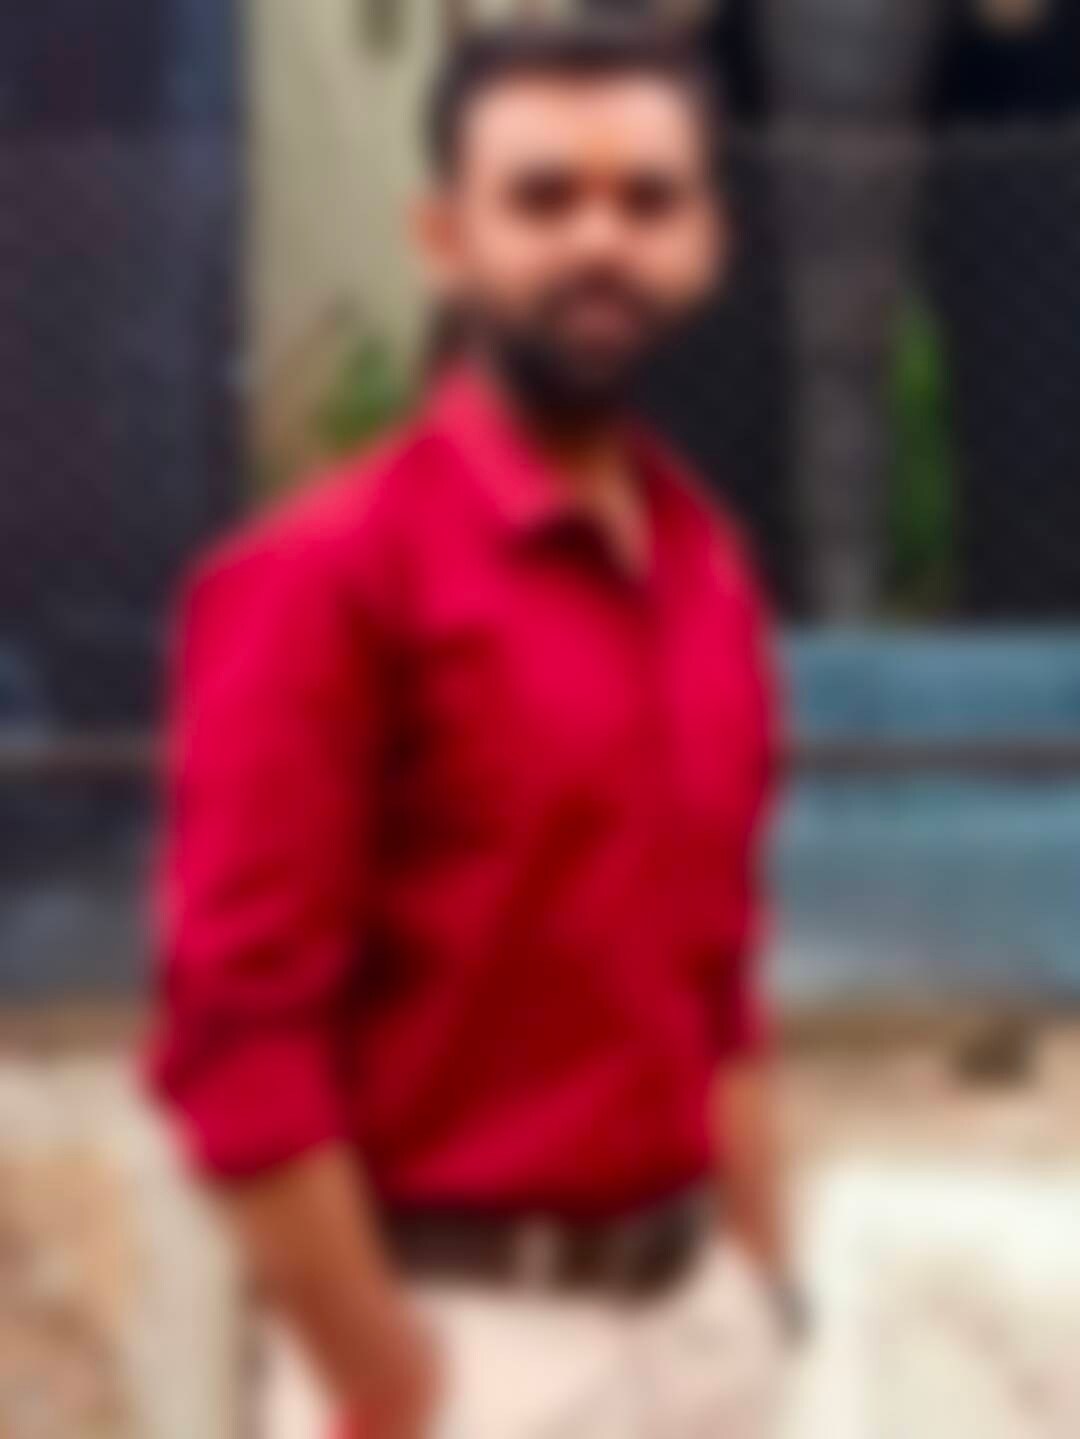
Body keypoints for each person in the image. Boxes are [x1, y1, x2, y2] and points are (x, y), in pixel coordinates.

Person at [148, 23, 792, 1439]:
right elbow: (237, 1041)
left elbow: (721, 983)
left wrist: (762, 1284)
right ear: (444, 236)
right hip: (462, 1349)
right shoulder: (323, 580)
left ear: (710, 241)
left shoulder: (707, 571)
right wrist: (384, 1381)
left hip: (700, 1333)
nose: (600, 241)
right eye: (543, 198)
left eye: (648, 201)